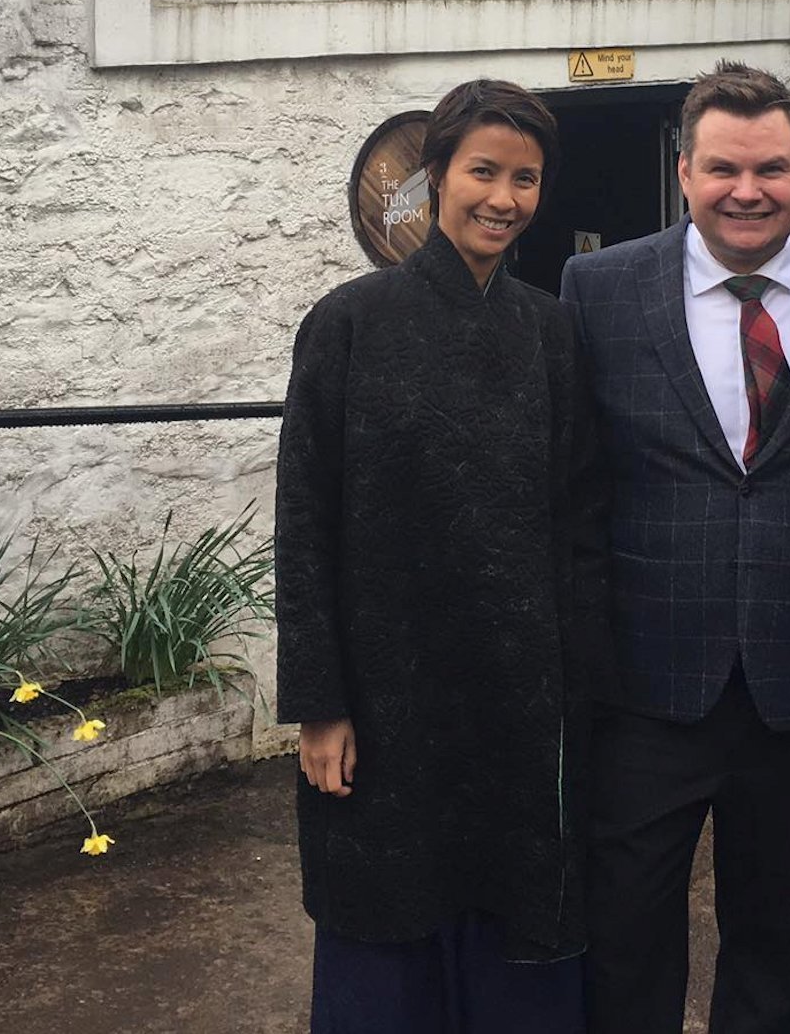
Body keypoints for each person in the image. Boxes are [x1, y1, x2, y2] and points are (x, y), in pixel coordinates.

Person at [561, 62, 790, 1034]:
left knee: (772, 944)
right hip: (645, 692)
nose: (747, 190)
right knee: (625, 949)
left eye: (771, 167)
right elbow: (571, 483)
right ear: (684, 169)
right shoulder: (599, 287)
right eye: (723, 168)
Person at [275, 78, 610, 1034]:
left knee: (518, 923)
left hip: (519, 698)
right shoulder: (347, 324)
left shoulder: (548, 333)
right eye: (483, 172)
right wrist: (319, 703)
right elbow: (303, 524)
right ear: (435, 177)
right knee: (386, 921)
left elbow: (579, 519)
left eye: (526, 179)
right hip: (385, 701)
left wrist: (577, 689)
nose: (503, 199)